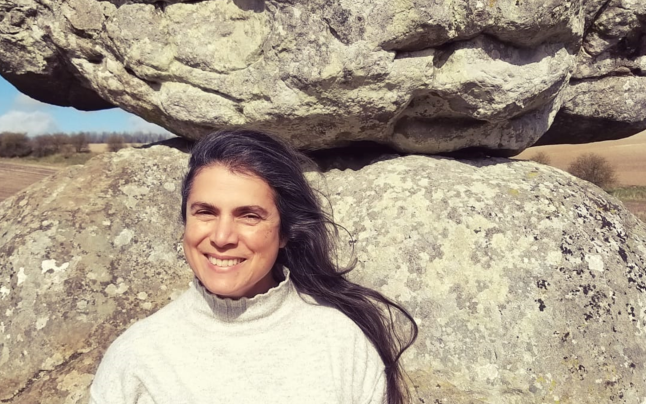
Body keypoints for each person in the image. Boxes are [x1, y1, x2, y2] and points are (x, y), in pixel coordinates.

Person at [89, 130, 418, 404]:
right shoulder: (135, 357)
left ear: (285, 232)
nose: (221, 237)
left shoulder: (342, 344)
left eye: (249, 215)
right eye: (205, 212)